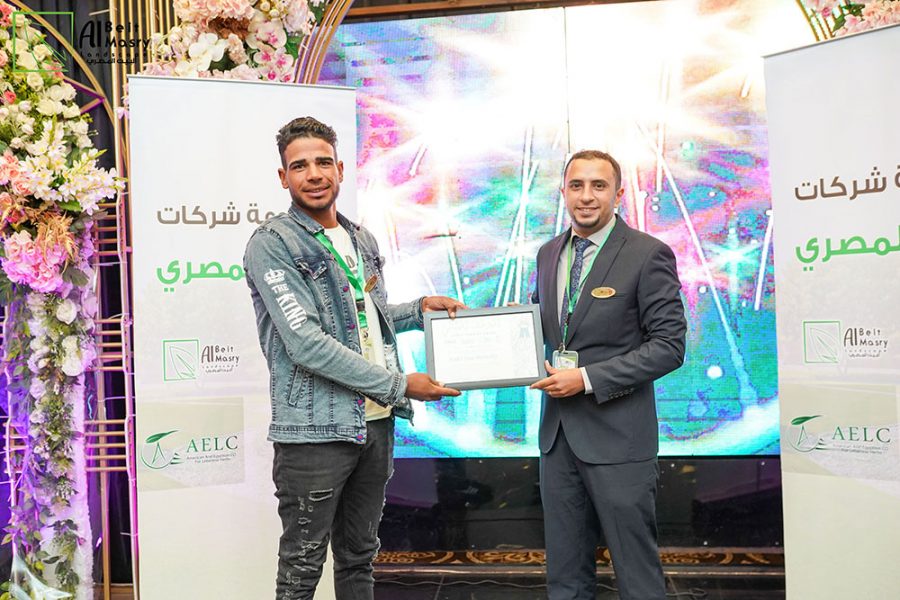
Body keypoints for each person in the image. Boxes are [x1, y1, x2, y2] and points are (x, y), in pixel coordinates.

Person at [243, 116, 464, 600]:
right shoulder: (273, 244)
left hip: (375, 425)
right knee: (301, 569)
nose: (314, 174)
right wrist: (401, 385)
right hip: (315, 433)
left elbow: (364, 318)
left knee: (359, 557)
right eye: (299, 166)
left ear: (341, 169)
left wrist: (418, 311)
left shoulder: (361, 239)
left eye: (323, 162)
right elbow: (307, 342)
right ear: (283, 177)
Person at [530, 150, 686, 600]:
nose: (586, 196)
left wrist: (586, 379)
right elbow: (541, 328)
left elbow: (669, 346)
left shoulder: (647, 254)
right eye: (577, 185)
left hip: (620, 441)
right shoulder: (548, 253)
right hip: (557, 439)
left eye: (599, 186)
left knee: (637, 578)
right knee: (565, 578)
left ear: (618, 195)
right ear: (563, 192)